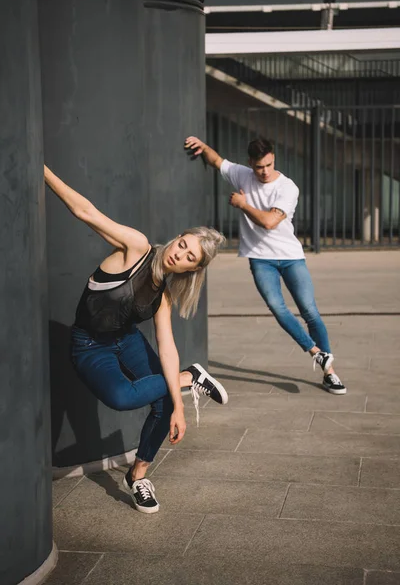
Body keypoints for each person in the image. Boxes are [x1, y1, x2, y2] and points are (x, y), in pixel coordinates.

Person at [44, 165, 228, 514]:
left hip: (124, 339)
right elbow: (85, 211)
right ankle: (192, 377)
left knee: (164, 404)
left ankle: (138, 476)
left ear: (192, 270)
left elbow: (167, 345)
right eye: (183, 245)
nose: (181, 254)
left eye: (190, 258)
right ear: (177, 237)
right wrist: (41, 169)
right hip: (88, 344)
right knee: (120, 396)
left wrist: (178, 406)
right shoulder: (137, 247)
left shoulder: (164, 296)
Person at [184, 136, 346, 395]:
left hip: (291, 256)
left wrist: (243, 204)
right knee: (277, 307)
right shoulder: (242, 174)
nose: (265, 171)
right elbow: (217, 161)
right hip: (260, 259)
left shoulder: (288, 187)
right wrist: (202, 146)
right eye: (259, 167)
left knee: (310, 311)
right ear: (251, 163)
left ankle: (330, 374)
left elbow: (270, 222)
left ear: (274, 159)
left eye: (269, 164)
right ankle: (318, 353)